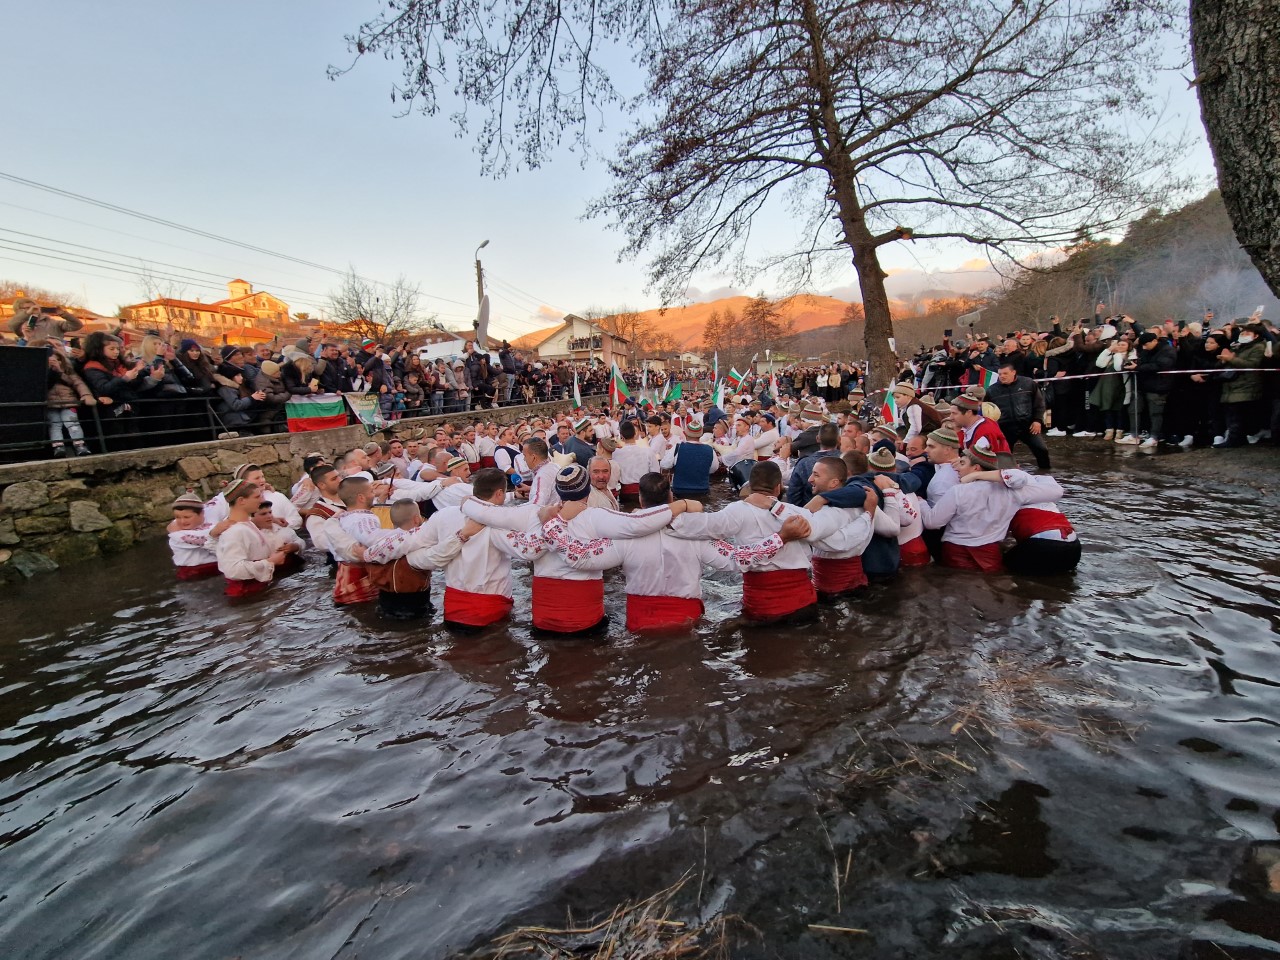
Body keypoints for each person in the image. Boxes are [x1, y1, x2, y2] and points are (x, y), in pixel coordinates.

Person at [542, 472, 810, 631]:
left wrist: (554, 522)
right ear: (671, 498)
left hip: (640, 621)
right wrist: (781, 537)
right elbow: (739, 559)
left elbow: (578, 555)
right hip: (686, 619)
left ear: (641, 499)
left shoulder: (623, 538)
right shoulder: (695, 535)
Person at [462, 464, 684, 634]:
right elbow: (638, 524)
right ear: (588, 489)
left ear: (558, 490)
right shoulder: (596, 516)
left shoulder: (533, 513)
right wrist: (681, 505)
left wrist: (464, 503)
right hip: (584, 618)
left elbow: (485, 511)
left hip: (542, 618)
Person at [668, 460, 851, 622]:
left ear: (749, 486)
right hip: (803, 603)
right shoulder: (797, 512)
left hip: (763, 606)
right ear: (778, 487)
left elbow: (701, 526)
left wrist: (668, 515)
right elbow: (820, 531)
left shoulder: (738, 511)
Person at [918, 441, 1064, 573]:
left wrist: (922, 503)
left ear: (976, 467)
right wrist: (977, 476)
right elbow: (1052, 490)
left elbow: (932, 523)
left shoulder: (958, 491)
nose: (956, 469)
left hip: (956, 550)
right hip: (990, 553)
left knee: (957, 589)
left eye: (962, 463)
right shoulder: (1012, 492)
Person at [806, 456, 878, 599]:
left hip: (831, 591)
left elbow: (835, 542)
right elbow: (891, 528)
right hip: (857, 584)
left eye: (816, 475)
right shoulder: (868, 505)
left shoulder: (827, 513)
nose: (809, 479)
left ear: (834, 482)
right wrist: (869, 514)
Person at [210, 480, 290, 596]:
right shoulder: (234, 531)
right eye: (257, 497)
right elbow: (233, 570)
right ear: (241, 501)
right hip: (246, 593)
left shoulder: (247, 524)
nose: (262, 500)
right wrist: (270, 562)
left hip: (257, 588)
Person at [983, 362, 1050, 469]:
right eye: (1000, 374)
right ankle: (1005, 477)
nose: (1002, 376)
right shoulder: (992, 390)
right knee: (1004, 457)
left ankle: (1046, 473)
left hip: (1027, 426)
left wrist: (1037, 420)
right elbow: (986, 409)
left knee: (1041, 449)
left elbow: (1039, 403)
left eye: (1005, 373)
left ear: (1013, 372)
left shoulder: (1028, 383)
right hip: (1005, 428)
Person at [42, 342, 95, 457]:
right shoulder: (41, 373)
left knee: (73, 423)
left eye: (57, 359)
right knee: (54, 425)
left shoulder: (67, 371)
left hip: (69, 402)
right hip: (51, 404)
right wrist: (50, 372)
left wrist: (59, 372)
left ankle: (80, 445)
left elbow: (77, 383)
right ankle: (58, 446)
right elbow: (42, 386)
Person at [167, 491, 218, 580]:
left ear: (202, 513)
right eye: (177, 517)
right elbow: (204, 539)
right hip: (192, 573)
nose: (182, 521)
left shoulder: (210, 525)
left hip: (215, 568)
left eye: (187, 517)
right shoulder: (176, 536)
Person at [661, 421, 719, 497]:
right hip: (702, 491)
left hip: (680, 491)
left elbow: (664, 465)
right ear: (701, 435)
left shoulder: (677, 448)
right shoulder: (710, 449)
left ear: (685, 434)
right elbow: (713, 469)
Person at [612, 420, 659, 499]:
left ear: (621, 436)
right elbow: (656, 473)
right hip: (645, 492)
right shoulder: (648, 451)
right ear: (635, 434)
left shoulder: (615, 453)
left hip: (627, 494)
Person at [6, 297, 83, 343]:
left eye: (33, 307)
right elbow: (11, 325)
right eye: (27, 308)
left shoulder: (53, 322)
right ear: (18, 311)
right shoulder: (20, 324)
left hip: (54, 356)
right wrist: (28, 313)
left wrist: (64, 314)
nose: (32, 309)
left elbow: (77, 325)